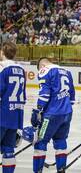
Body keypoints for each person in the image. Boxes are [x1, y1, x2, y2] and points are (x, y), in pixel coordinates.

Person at [31, 57, 75, 173]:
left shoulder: (45, 71)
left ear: (42, 66)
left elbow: (44, 95)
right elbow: (72, 96)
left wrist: (39, 110)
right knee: (61, 141)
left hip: (51, 114)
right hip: (67, 113)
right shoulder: (66, 71)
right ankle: (61, 170)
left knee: (40, 141)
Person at [0, 42, 26, 173]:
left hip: (2, 114)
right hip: (14, 116)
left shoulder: (1, 67)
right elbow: (23, 96)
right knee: (8, 150)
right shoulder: (21, 69)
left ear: (3, 52)